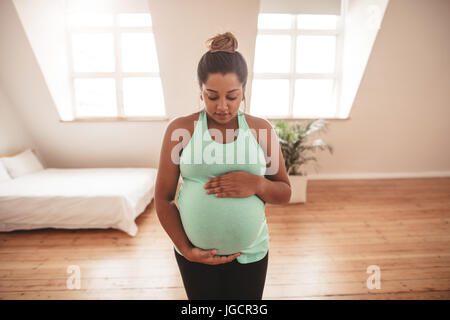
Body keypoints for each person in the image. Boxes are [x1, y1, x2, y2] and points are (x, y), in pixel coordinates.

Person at [155, 32, 291, 300]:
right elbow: (163, 198)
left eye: (232, 96)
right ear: (201, 91)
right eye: (212, 96)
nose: (222, 106)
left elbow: (285, 192)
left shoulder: (261, 131)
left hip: (251, 255)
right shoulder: (180, 131)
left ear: (244, 91)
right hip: (194, 255)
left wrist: (258, 184)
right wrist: (185, 248)